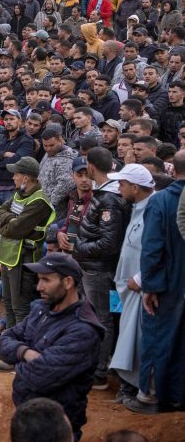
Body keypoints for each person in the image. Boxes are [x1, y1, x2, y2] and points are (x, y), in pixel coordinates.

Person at [0, 253, 105, 441]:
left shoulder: (83, 330)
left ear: (68, 282)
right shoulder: (42, 308)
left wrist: (18, 361)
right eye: (39, 280)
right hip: (28, 418)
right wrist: (26, 353)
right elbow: (5, 339)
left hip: (57, 428)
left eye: (46, 280)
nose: (39, 287)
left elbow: (40, 377)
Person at [126, 150, 185, 413]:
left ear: (173, 171)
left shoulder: (161, 201)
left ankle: (150, 395)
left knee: (158, 337)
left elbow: (152, 249)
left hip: (168, 283)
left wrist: (150, 286)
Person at [69, 147, 130, 390]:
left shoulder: (109, 198)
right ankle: (91, 366)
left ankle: (99, 373)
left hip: (99, 268)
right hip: (91, 266)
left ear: (92, 167)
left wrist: (79, 249)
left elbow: (108, 243)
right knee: (90, 317)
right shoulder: (105, 193)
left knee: (100, 319)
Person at [0, 157, 56, 343]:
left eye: (16, 174)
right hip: (9, 256)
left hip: (24, 258)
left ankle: (18, 346)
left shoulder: (39, 201)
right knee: (8, 302)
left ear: (26, 177)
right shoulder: (19, 194)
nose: (13, 177)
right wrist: (11, 220)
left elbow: (15, 229)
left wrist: (8, 225)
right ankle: (8, 342)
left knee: (20, 306)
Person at [109, 163, 155, 404]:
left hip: (143, 290)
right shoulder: (137, 207)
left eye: (122, 184)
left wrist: (141, 278)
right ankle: (129, 385)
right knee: (127, 338)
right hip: (127, 289)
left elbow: (161, 249)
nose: (119, 188)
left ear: (136, 188)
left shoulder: (154, 209)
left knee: (138, 340)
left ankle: (144, 391)